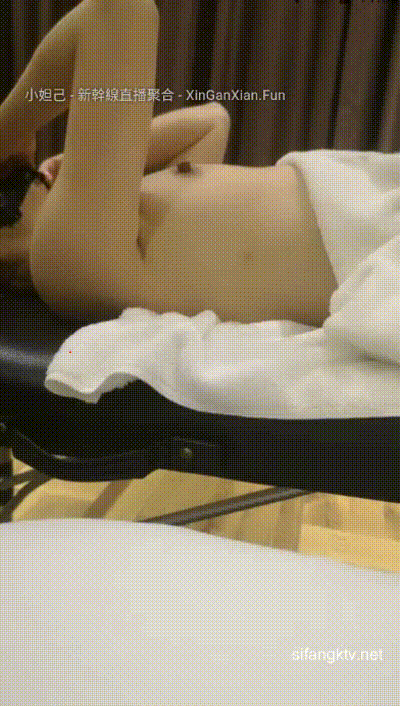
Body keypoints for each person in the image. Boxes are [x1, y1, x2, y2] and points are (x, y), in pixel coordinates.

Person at [0, 0, 338, 326]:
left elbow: (213, 121)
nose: (39, 173)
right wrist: (11, 133)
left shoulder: (124, 226)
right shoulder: (77, 254)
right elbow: (122, 10)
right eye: (23, 179)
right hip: (353, 246)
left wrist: (73, 162)